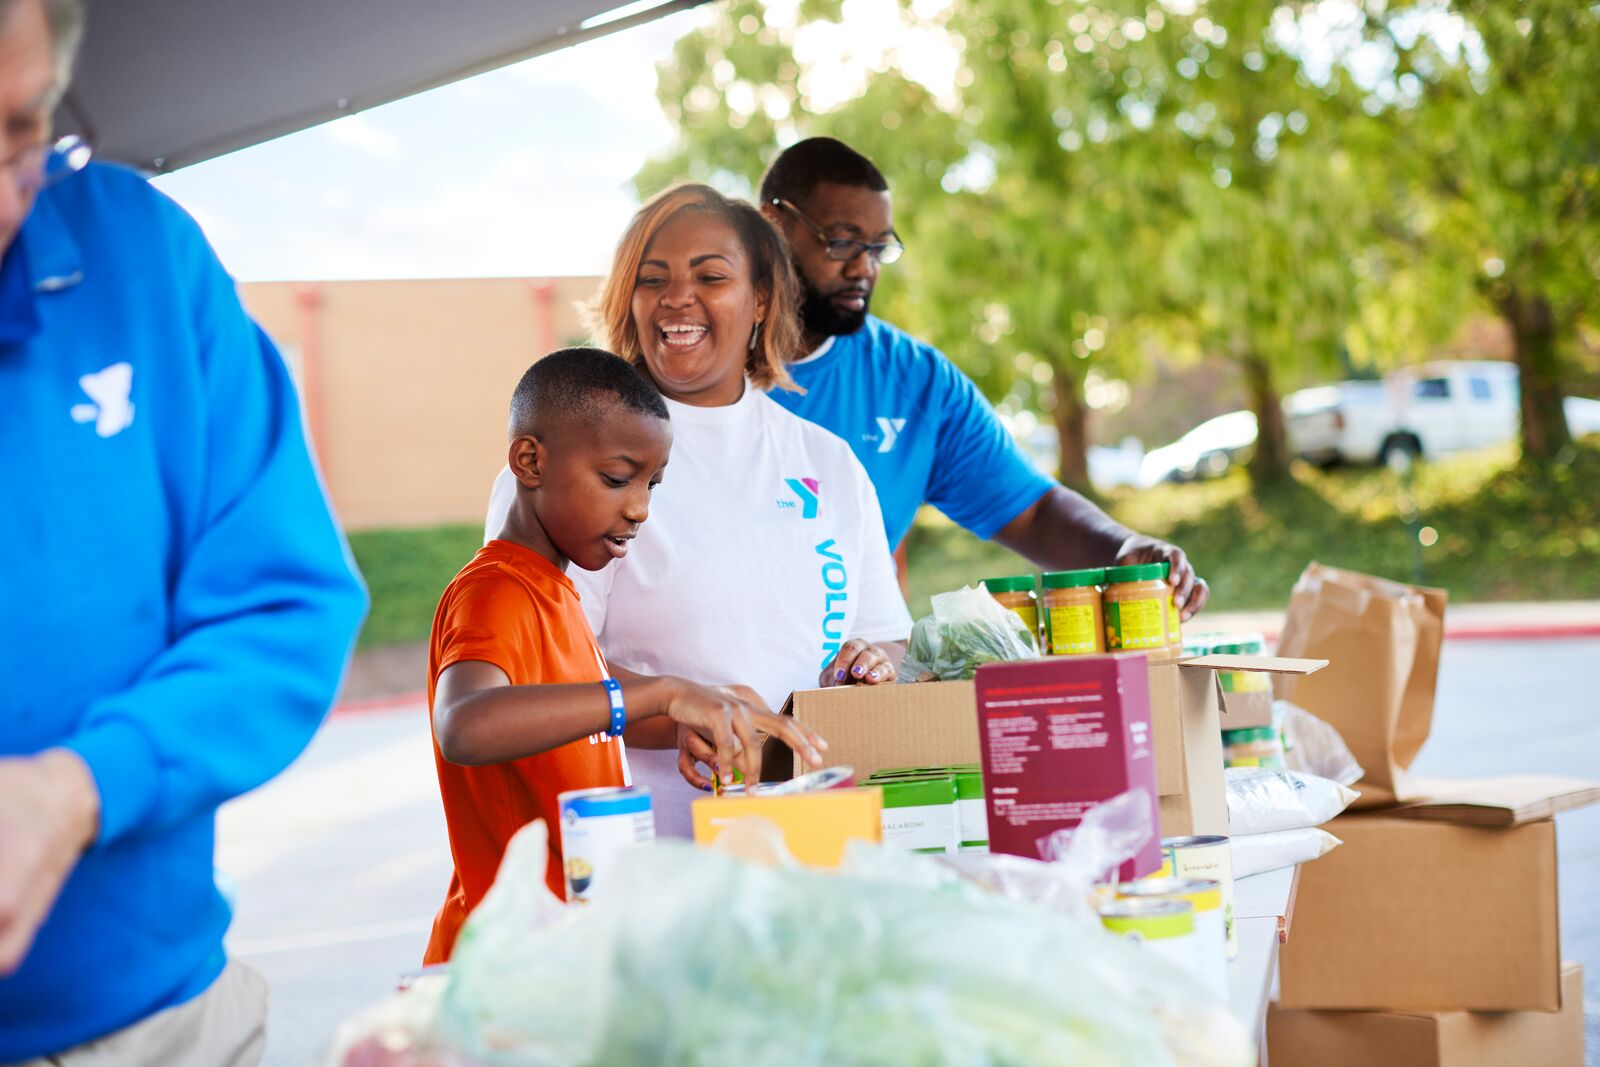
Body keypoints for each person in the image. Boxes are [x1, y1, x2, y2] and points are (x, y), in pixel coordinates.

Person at [0, 0, 369, 1063]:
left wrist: (82, 785)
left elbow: (287, 603)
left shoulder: (144, 255)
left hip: (164, 1025)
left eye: (23, 128)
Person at [486, 185, 911, 836]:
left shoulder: (828, 463)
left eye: (710, 276)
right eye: (652, 279)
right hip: (638, 857)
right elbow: (540, 676)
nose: (677, 297)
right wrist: (683, 710)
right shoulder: (572, 465)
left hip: (805, 841)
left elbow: (883, 630)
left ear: (762, 299)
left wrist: (869, 661)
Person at [427, 348, 823, 961]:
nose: (639, 508)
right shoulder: (496, 592)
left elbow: (580, 704)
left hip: (570, 948)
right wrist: (662, 691)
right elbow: (465, 724)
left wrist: (685, 721)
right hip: (510, 962)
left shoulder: (555, 593)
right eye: (617, 479)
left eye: (652, 484)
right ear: (530, 461)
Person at [758, 137, 1211, 617]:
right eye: (843, 241)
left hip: (852, 676)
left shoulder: (916, 382)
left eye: (877, 248)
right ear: (773, 224)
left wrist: (1124, 548)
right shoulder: (697, 363)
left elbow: (1031, 511)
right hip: (712, 679)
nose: (863, 268)